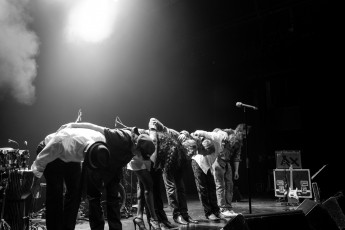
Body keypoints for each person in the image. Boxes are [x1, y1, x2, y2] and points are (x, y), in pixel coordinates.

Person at [60, 122, 156, 230]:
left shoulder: (140, 143)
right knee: (94, 199)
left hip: (114, 169)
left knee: (114, 199)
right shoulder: (119, 137)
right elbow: (96, 128)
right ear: (135, 145)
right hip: (96, 165)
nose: (138, 156)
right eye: (139, 153)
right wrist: (73, 125)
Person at [31, 127, 107, 230]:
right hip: (51, 153)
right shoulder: (61, 143)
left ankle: (68, 228)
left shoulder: (99, 140)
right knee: (55, 193)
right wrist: (35, 183)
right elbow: (40, 162)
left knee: (76, 193)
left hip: (71, 156)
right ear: (85, 154)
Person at [148, 118, 198, 227]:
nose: (192, 155)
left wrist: (184, 132)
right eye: (191, 152)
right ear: (185, 146)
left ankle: (184, 214)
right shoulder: (172, 134)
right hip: (168, 161)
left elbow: (193, 134)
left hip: (178, 162)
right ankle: (177, 215)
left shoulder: (186, 139)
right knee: (170, 187)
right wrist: (152, 132)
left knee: (181, 188)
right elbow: (153, 120)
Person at [194, 124, 246, 218]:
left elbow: (237, 157)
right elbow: (214, 130)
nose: (244, 137)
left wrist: (236, 171)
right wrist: (221, 131)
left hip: (225, 162)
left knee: (229, 185)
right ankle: (221, 208)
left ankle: (228, 208)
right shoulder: (224, 134)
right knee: (217, 186)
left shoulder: (238, 143)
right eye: (243, 134)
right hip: (215, 161)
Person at [179, 132, 223, 221]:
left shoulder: (217, 145)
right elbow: (190, 136)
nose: (202, 154)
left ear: (209, 150)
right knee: (203, 189)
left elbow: (215, 135)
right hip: (197, 164)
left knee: (212, 187)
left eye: (204, 152)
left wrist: (201, 132)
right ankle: (209, 212)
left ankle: (216, 211)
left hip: (207, 165)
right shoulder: (199, 153)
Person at [127, 130, 161, 230]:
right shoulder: (129, 140)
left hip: (145, 158)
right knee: (149, 186)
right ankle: (154, 219)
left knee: (142, 187)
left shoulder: (147, 139)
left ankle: (139, 217)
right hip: (136, 161)